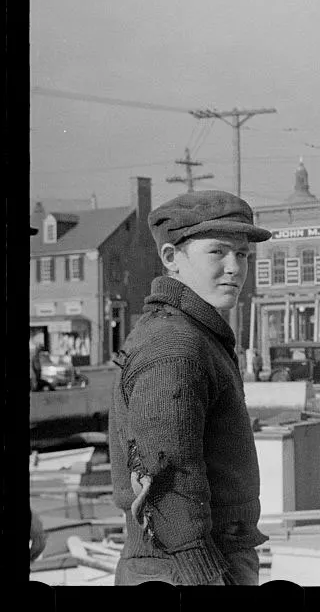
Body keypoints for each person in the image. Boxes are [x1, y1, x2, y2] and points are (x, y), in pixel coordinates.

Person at [108, 190, 273, 586]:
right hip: (184, 573)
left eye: (243, 254)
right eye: (217, 252)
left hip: (192, 565)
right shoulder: (175, 345)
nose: (234, 268)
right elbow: (167, 482)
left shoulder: (194, 335)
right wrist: (205, 581)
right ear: (171, 258)